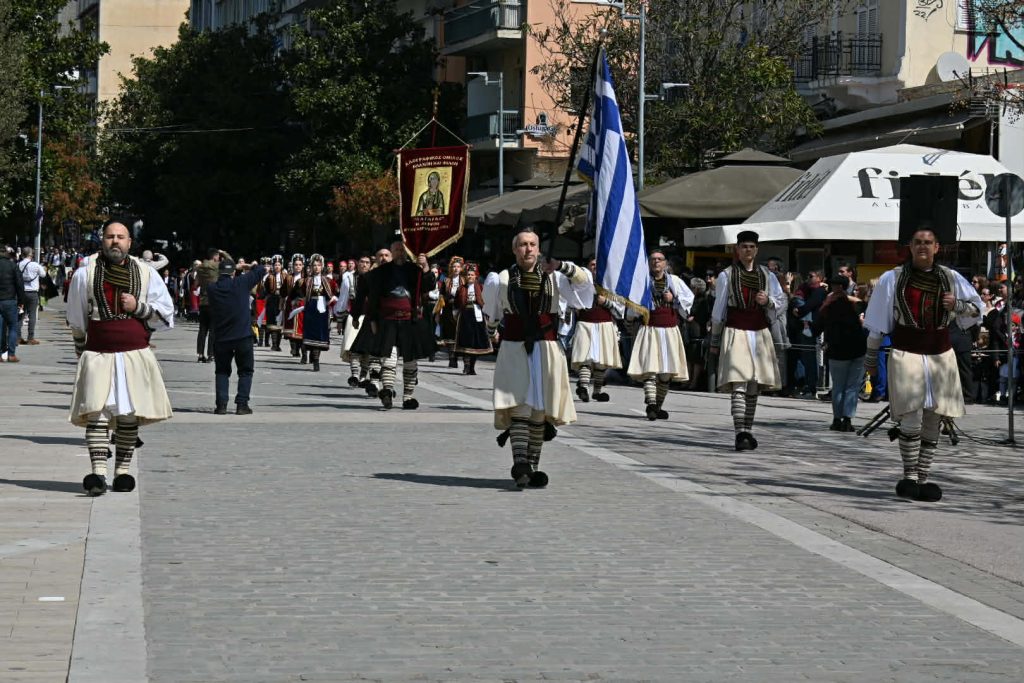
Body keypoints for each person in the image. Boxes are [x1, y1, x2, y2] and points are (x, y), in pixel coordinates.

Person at [864, 224, 983, 502]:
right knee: (911, 416)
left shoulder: (951, 277)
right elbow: (877, 324)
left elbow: (977, 311)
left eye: (928, 242)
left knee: (935, 417)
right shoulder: (892, 279)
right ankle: (909, 476)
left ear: (937, 247)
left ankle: (924, 476)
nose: (922, 247)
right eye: (918, 242)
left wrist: (957, 306)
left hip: (941, 355)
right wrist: (870, 361)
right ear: (910, 246)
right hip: (907, 353)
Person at [67, 221, 174, 495]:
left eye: (120, 237)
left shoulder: (146, 272)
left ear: (129, 242)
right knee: (97, 412)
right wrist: (82, 352)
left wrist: (138, 307)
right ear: (102, 240)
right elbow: (77, 319)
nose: (115, 241)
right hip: (99, 354)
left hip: (133, 354)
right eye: (110, 236)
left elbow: (166, 312)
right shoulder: (85, 274)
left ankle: (123, 472)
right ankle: (98, 474)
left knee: (128, 414)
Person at [483, 228, 593, 488]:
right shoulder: (501, 279)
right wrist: (491, 333)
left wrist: (562, 266)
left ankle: (531, 468)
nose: (528, 249)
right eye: (523, 244)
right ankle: (520, 462)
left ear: (539, 249)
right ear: (515, 249)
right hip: (514, 347)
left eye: (532, 244)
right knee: (519, 404)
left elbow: (585, 286)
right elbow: (494, 313)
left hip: (546, 349)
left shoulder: (555, 278)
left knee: (539, 411)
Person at [710, 231, 786, 451]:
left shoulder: (767, 275)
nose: (748, 250)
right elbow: (719, 309)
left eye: (751, 247)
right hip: (736, 331)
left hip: (760, 332)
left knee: (754, 384)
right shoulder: (727, 275)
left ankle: (748, 430)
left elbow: (782, 302)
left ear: (757, 250)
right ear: (737, 249)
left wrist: (768, 301)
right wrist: (715, 339)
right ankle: (739, 432)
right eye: (743, 246)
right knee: (740, 383)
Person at [357, 241, 436, 409]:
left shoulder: (414, 270)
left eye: (402, 250)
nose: (400, 253)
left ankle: (408, 397)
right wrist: (371, 320)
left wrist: (426, 267)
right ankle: (387, 390)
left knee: (411, 360)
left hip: (410, 321)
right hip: (388, 321)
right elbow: (373, 298)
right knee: (389, 358)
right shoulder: (380, 273)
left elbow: (429, 286)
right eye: (397, 250)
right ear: (392, 253)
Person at [626, 250, 694, 420]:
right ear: (649, 263)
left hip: (669, 330)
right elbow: (631, 306)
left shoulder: (675, 281)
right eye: (653, 259)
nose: (656, 262)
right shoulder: (641, 282)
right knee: (650, 369)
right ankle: (651, 404)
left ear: (665, 263)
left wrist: (674, 298)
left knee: (666, 372)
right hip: (649, 328)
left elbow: (689, 299)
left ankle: (657, 406)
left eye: (660, 259)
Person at [207, 256, 266, 414]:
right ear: (234, 272)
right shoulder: (241, 283)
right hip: (242, 336)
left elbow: (211, 277)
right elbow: (261, 270)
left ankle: (221, 405)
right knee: (246, 371)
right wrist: (247, 265)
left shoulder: (212, 289)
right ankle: (242, 404)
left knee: (222, 371)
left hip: (222, 337)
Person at [814, 274, 866, 432]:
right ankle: (848, 419)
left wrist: (825, 304)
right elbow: (867, 308)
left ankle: (837, 419)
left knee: (838, 386)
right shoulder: (856, 306)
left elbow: (816, 327)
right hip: (857, 349)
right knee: (852, 386)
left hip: (836, 350)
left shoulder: (828, 307)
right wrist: (853, 298)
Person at [570, 257, 623, 402]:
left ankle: (597, 391)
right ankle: (584, 387)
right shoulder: (580, 283)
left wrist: (605, 302)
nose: (595, 267)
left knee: (601, 361)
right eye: (592, 265)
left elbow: (621, 309)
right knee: (585, 358)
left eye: (597, 265)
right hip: (585, 324)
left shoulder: (611, 285)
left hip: (605, 325)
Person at [300, 254, 339, 372]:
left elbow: (336, 293)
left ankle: (316, 359)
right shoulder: (306, 281)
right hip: (311, 308)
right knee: (311, 332)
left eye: (319, 265)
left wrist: (332, 300)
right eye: (314, 265)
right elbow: (301, 294)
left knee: (320, 333)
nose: (316, 267)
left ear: (322, 267)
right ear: (311, 267)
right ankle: (313, 356)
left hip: (323, 309)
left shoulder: (329, 281)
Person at [452, 263, 492, 374]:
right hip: (465, 315)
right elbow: (456, 303)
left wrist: (487, 313)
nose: (470, 276)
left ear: (476, 276)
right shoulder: (461, 289)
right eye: (468, 274)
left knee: (476, 342)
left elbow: (486, 301)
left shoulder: (480, 288)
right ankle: (466, 366)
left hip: (477, 315)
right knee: (466, 340)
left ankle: (472, 367)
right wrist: (455, 313)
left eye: (472, 275)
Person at [196, 249, 228, 363]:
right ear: (215, 256)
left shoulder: (199, 267)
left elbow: (196, 284)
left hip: (203, 301)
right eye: (218, 256)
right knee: (213, 330)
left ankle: (200, 354)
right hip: (214, 301)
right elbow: (231, 264)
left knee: (202, 329)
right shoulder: (217, 266)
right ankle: (211, 354)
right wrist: (224, 252)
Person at [437, 257, 464, 368]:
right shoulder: (446, 281)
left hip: (460, 309)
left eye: (458, 267)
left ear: (461, 268)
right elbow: (441, 297)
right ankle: (452, 358)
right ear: (451, 268)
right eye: (454, 267)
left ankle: (457, 356)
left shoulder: (464, 280)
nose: (456, 269)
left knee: (459, 334)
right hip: (448, 309)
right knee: (450, 334)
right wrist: (438, 313)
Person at [0, 244, 25, 362]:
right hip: (10, 300)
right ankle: (11, 354)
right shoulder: (13, 266)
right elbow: (19, 284)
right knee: (13, 327)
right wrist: (21, 301)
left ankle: (0, 354)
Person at [282, 254, 306, 361]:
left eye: (300, 265)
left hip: (301, 305)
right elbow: (283, 291)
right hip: (290, 304)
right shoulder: (288, 278)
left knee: (300, 328)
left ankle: (300, 349)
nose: (297, 266)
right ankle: (294, 348)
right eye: (296, 264)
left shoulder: (305, 278)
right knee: (291, 327)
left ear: (303, 266)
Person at [17, 247, 43, 345]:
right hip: (32, 293)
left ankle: (18, 337)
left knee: (20, 314)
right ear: (31, 255)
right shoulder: (35, 265)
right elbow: (43, 274)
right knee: (32, 315)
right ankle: (30, 338)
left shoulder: (18, 264)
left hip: (21, 293)